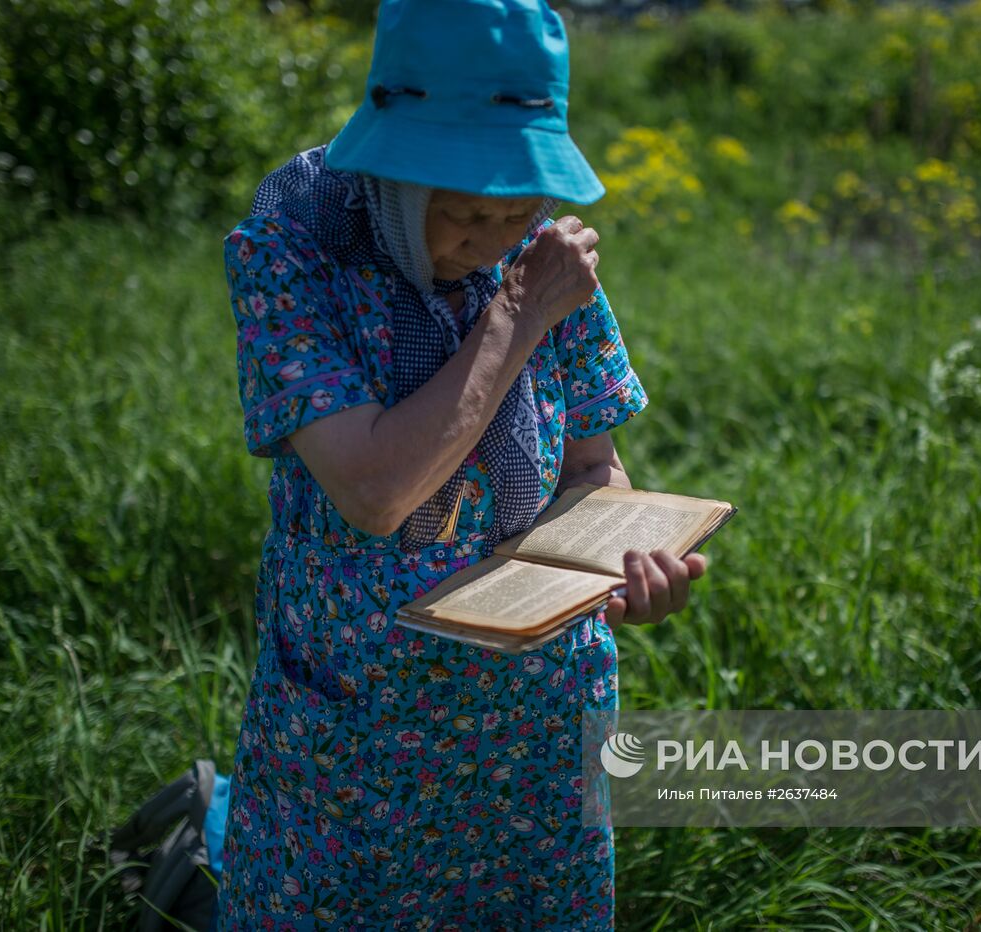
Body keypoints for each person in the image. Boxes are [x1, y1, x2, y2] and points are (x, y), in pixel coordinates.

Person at [217, 1, 709, 927]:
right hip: (360, 741)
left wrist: (623, 557)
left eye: (519, 207)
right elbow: (373, 492)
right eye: (471, 212)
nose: (494, 242)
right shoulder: (291, 254)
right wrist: (516, 314)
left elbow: (593, 466)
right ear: (394, 171)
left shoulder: (542, 248)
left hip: (536, 726)